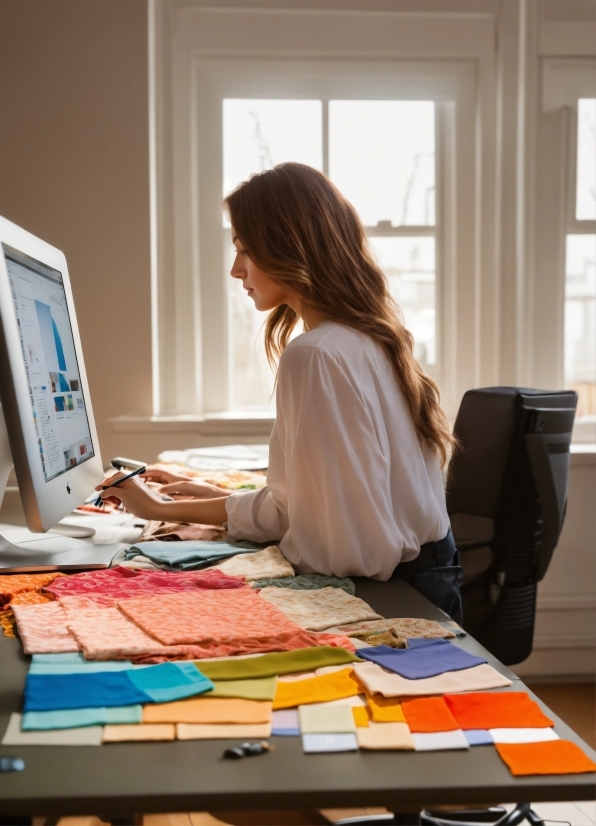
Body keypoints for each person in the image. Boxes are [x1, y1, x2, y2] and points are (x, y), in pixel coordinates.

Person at [98, 163, 463, 623]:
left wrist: (158, 509)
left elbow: (338, 549)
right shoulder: (368, 338)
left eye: (244, 250)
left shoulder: (317, 355)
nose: (236, 270)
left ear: (288, 248)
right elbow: (315, 513)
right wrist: (196, 504)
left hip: (396, 598)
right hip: (427, 579)